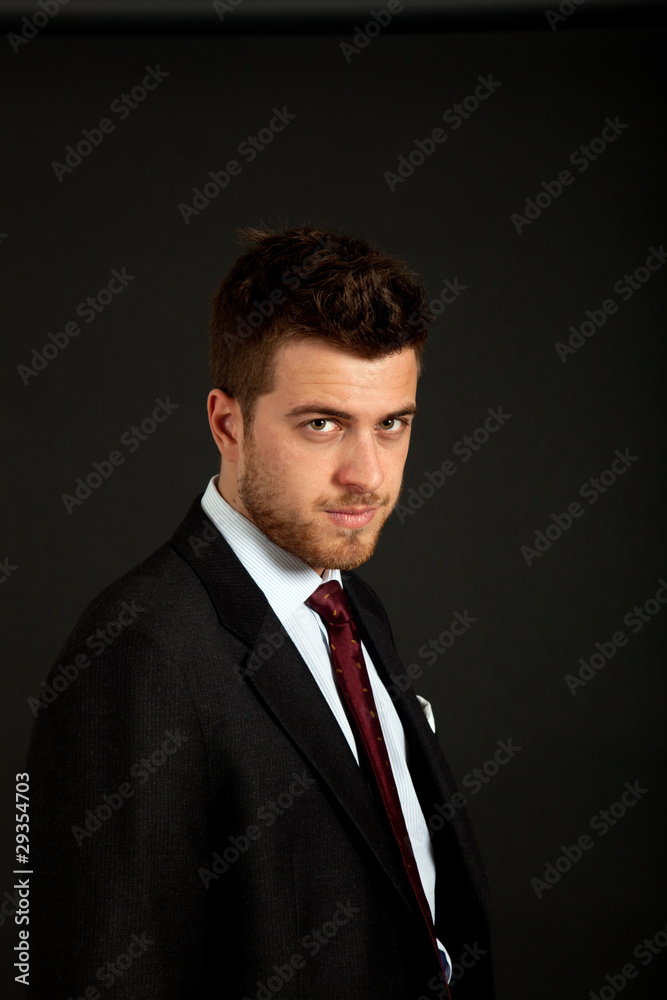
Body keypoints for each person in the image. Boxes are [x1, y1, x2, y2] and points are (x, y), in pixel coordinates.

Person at [26, 224, 495, 999]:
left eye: (391, 423)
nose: (366, 475)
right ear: (227, 424)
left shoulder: (348, 602)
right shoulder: (135, 653)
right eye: (321, 424)